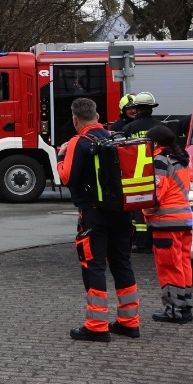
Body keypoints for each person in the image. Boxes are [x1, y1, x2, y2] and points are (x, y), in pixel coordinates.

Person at [57, 97, 140, 342]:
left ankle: (96, 325)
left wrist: (61, 155)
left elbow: (66, 178)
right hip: (122, 213)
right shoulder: (116, 137)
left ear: (74, 119)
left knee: (94, 266)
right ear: (97, 115)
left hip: (94, 215)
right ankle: (129, 322)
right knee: (122, 264)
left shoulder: (78, 142)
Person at [144, 124, 193, 323]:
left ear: (155, 143)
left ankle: (174, 311)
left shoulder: (159, 160)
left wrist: (145, 211)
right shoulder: (181, 159)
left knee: (169, 267)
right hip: (184, 221)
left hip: (166, 223)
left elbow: (156, 194)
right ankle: (185, 306)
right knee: (183, 265)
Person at [111, 91, 161, 254]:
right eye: (129, 108)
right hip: (153, 172)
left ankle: (142, 242)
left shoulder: (127, 129)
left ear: (139, 109)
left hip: (136, 175)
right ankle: (145, 241)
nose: (132, 111)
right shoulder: (159, 127)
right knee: (146, 208)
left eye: (134, 108)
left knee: (139, 208)